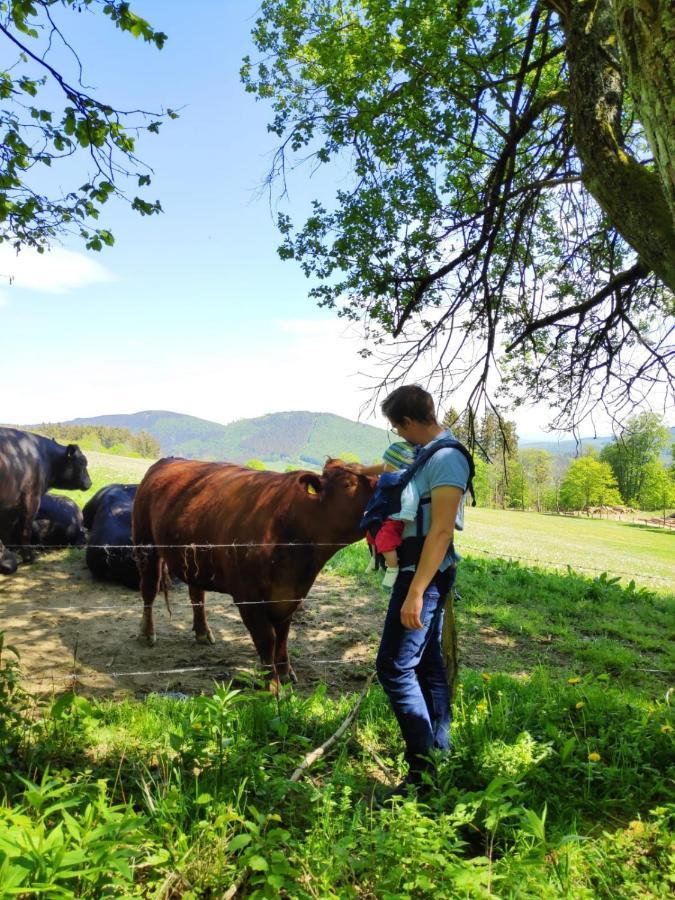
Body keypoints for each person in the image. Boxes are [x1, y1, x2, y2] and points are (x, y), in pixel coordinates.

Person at [373, 384, 471, 798]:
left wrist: (416, 592)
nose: (400, 435)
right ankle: (438, 754)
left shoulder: (447, 458)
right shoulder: (429, 456)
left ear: (411, 421)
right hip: (420, 573)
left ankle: (422, 774)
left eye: (398, 428)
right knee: (427, 662)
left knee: (393, 667)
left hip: (423, 577)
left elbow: (442, 530)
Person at [360, 440, 419, 587]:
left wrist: (407, 514)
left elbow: (410, 497)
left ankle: (392, 569)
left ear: (400, 466)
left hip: (395, 518)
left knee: (385, 540)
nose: (384, 466)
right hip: (383, 514)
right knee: (370, 533)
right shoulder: (387, 479)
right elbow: (379, 497)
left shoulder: (404, 482)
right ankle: (374, 559)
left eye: (388, 464)